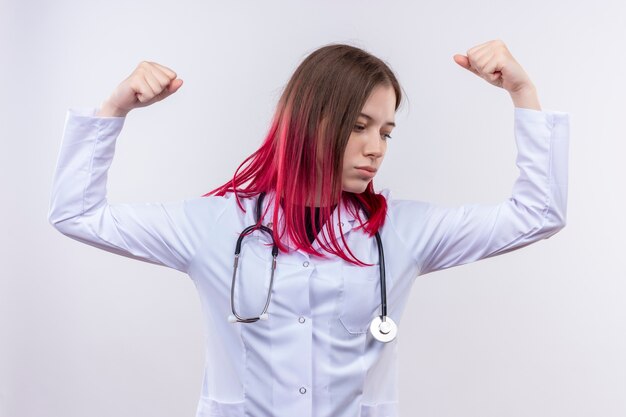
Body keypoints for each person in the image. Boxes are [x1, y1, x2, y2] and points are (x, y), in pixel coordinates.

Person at [48, 40, 569, 417]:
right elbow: (77, 214)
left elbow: (537, 214)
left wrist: (522, 92)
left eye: (386, 131)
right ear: (310, 120)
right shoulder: (217, 225)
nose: (377, 148)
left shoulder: (402, 231)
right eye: (359, 125)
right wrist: (115, 108)